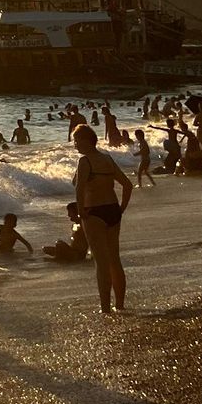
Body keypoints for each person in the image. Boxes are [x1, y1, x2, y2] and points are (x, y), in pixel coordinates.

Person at [73, 124, 132, 313]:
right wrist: (121, 208)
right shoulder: (107, 159)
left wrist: (81, 211)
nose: (75, 145)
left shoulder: (85, 162)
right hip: (113, 210)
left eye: (76, 141)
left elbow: (79, 188)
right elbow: (127, 185)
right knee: (115, 259)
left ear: (86, 140)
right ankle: (120, 305)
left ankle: (105, 308)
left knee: (101, 262)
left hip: (94, 212)